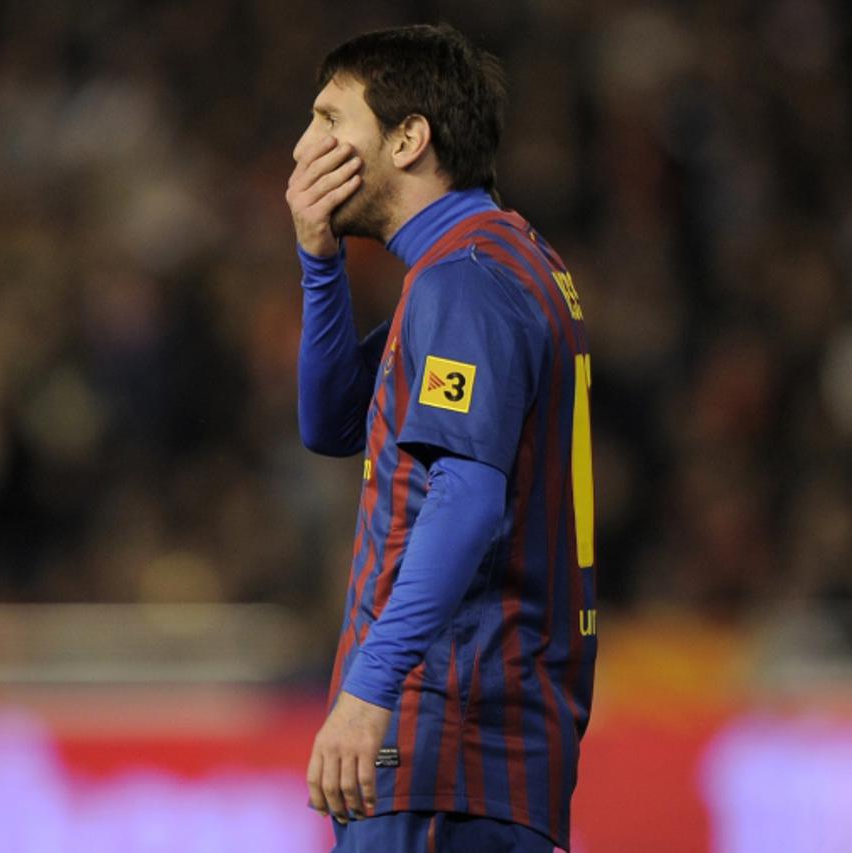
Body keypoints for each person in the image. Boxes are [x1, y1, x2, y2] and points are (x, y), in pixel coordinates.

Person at [285, 24, 597, 853]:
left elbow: (465, 494)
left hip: (445, 737)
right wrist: (320, 262)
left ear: (408, 138)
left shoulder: (465, 277)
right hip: (480, 755)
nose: (303, 147)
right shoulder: (494, 259)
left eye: (329, 120)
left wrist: (369, 687)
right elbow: (331, 424)